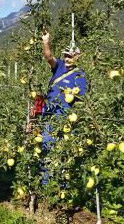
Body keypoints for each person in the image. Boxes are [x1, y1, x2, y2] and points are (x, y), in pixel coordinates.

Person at [39, 30, 87, 183]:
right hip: (49, 115)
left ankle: (61, 186)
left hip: (65, 118)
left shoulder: (80, 75)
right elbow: (48, 57)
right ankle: (46, 184)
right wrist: (46, 42)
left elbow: (82, 98)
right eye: (66, 55)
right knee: (46, 148)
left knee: (63, 151)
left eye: (70, 56)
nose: (67, 58)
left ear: (77, 57)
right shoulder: (59, 66)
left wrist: (73, 92)